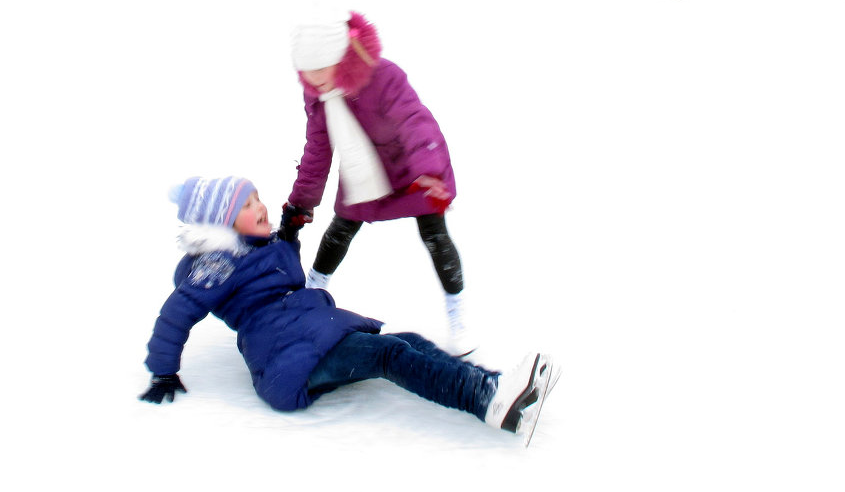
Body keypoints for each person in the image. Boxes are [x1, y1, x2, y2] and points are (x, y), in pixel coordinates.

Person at [141, 176, 558, 445]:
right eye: (248, 206)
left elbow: (281, 276)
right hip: (287, 355)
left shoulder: (255, 248)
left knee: (406, 342)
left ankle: (500, 388)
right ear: (224, 223)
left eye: (256, 197)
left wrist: (288, 234)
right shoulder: (214, 264)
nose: (260, 206)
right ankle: (487, 401)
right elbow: (176, 314)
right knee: (390, 355)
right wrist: (163, 369)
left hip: (303, 335)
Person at [281, 7, 476, 356]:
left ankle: (457, 314)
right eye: (306, 73)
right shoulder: (317, 91)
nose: (314, 79)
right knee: (341, 229)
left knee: (434, 233)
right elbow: (318, 147)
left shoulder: (384, 76)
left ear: (340, 56)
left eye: (320, 69)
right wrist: (302, 201)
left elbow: (415, 121)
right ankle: (312, 291)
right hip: (364, 169)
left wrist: (428, 170)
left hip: (415, 167)